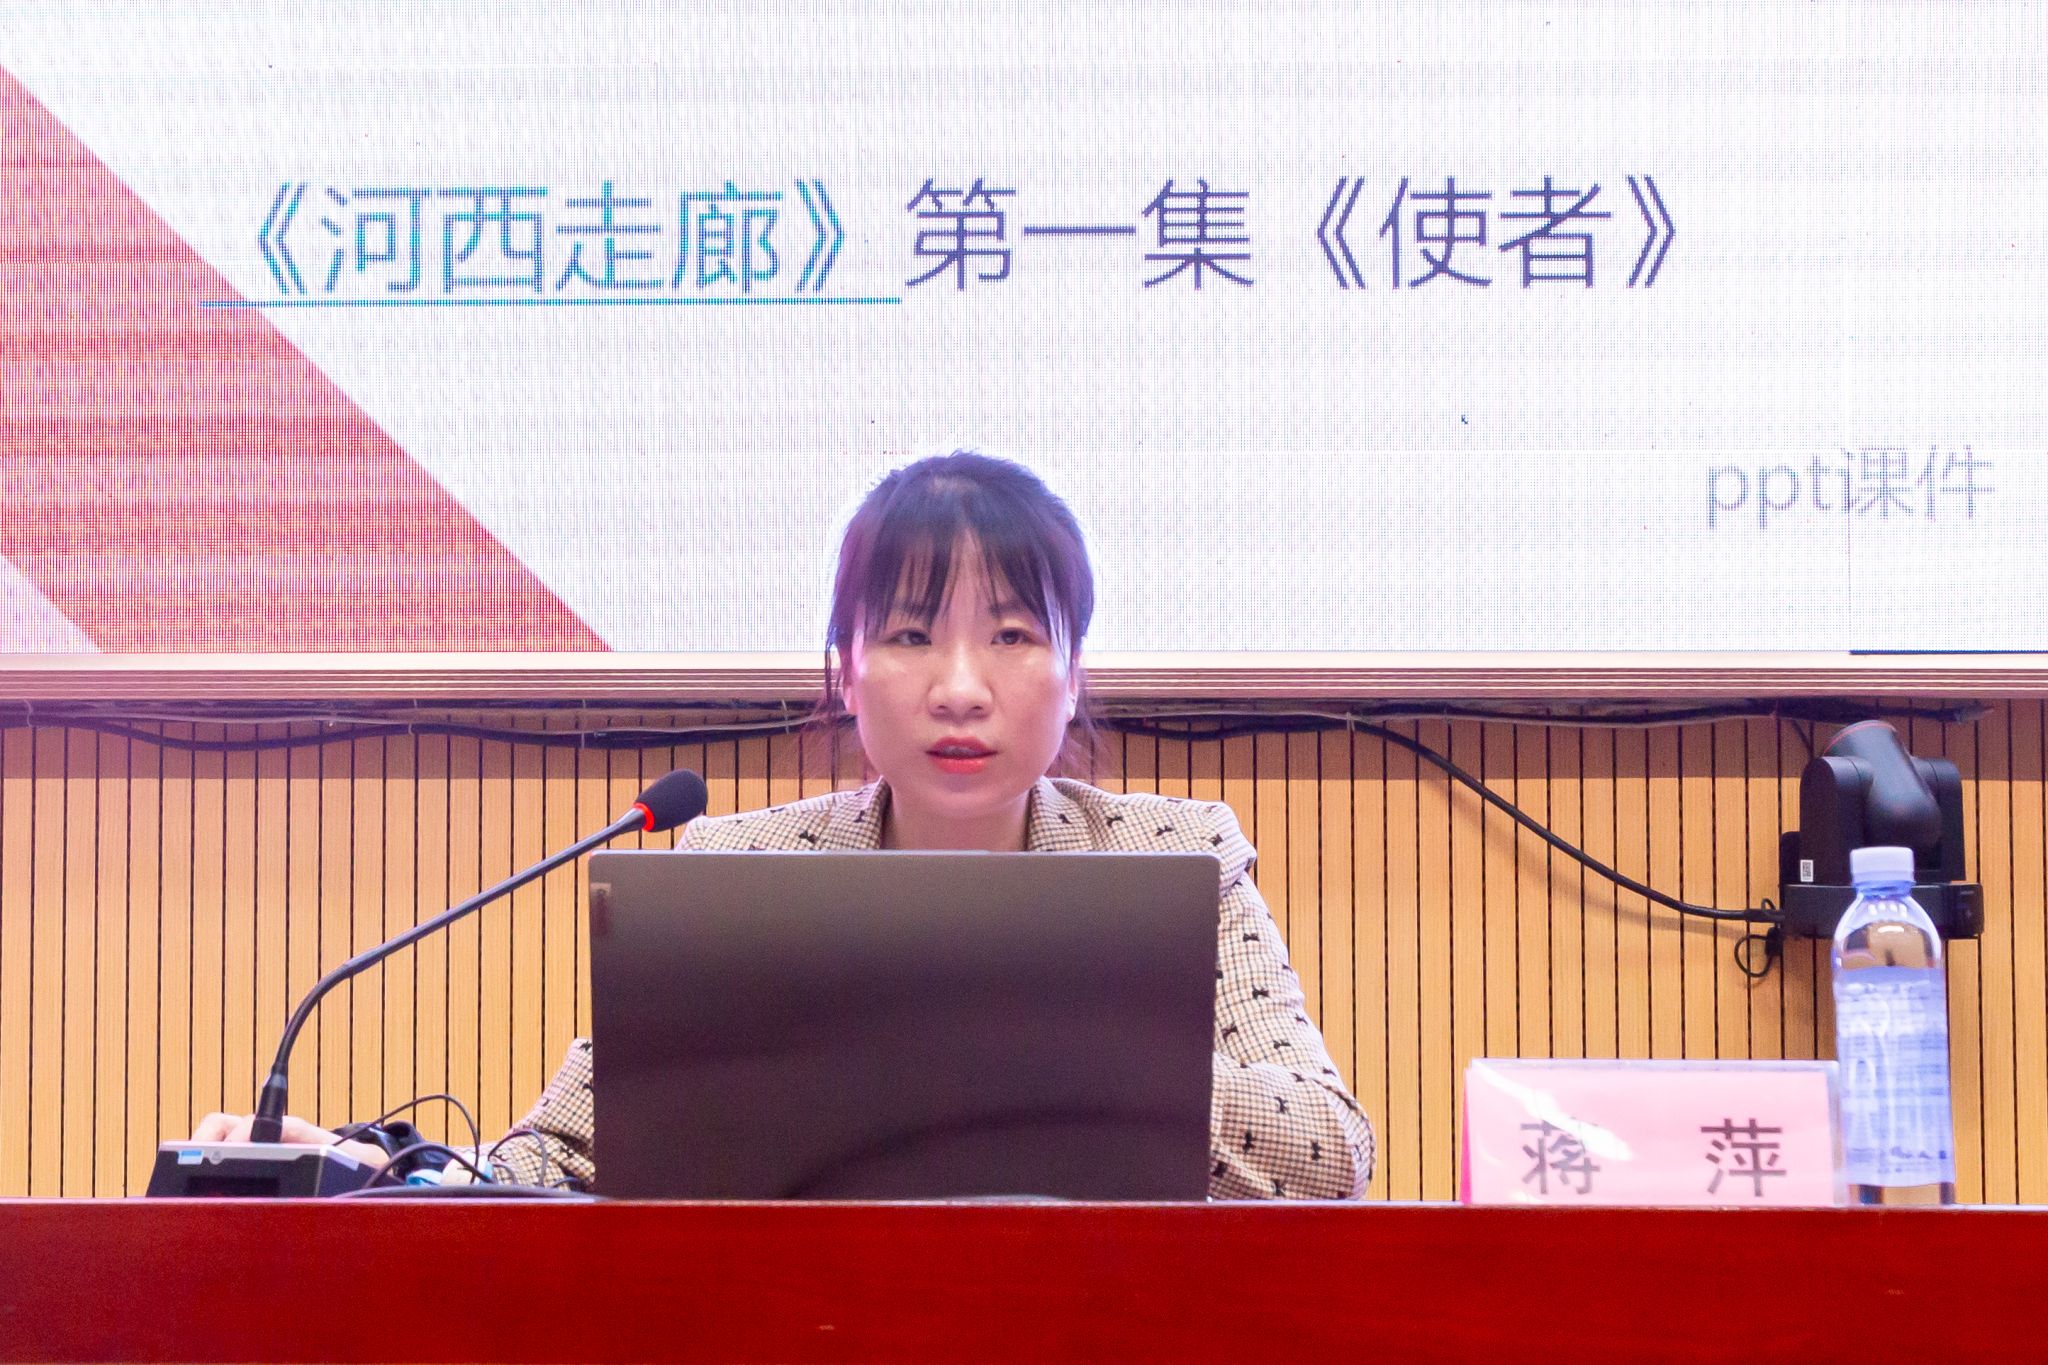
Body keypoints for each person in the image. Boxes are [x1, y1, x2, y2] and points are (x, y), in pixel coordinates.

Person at [195, 452, 1375, 1199]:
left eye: (1012, 636)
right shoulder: (740, 869)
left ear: (1073, 673)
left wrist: (1052, 1045)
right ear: (845, 671)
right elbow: (554, 1163)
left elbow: (1328, 1155)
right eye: (908, 635)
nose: (959, 687)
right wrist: (377, 1174)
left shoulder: (1174, 856)